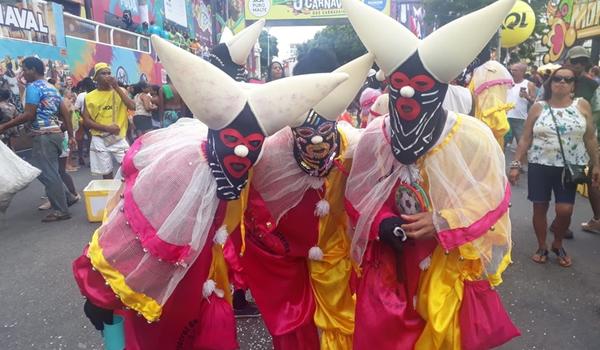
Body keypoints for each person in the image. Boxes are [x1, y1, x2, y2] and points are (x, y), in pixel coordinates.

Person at [72, 32, 347, 350]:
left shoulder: (264, 150)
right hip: (165, 293)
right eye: (235, 142)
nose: (243, 153)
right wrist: (100, 293)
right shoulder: (185, 161)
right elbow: (130, 229)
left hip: (207, 280)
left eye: (252, 145)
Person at [342, 0, 519, 348]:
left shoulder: (472, 137)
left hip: (445, 260)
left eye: (420, 85)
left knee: (439, 331)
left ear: (440, 89)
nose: (408, 94)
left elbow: (490, 196)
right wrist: (381, 222)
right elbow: (359, 193)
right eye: (400, 84)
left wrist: (442, 220)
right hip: (391, 259)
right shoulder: (377, 134)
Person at [229, 53, 372, 350]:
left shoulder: (354, 144)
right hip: (280, 249)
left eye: (323, 131)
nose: (316, 142)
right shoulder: (270, 150)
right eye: (306, 133)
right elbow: (245, 202)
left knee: (342, 317)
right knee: (292, 321)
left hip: (334, 249)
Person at [509, 67, 600, 267]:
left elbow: (590, 137)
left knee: (565, 209)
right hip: (540, 164)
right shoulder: (538, 107)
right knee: (539, 206)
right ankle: (542, 246)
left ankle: (557, 244)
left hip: (570, 168)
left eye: (567, 80)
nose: (562, 82)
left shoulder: (581, 105)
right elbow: (525, 138)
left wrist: (597, 165)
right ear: (550, 83)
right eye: (557, 78)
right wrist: (515, 164)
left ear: (573, 85)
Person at [0, 57, 77, 222]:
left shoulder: (33, 87)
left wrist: (4, 126)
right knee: (49, 171)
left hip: (44, 136)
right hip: (56, 135)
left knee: (46, 173)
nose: (22, 73)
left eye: (24, 69)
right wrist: (70, 135)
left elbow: (29, 114)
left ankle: (61, 210)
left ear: (32, 70)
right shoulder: (52, 87)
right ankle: (67, 197)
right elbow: (65, 113)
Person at [562, 46, 600, 236]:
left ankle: (595, 219)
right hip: (560, 140)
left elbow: (596, 116)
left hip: (586, 140)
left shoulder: (593, 86)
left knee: (582, 179)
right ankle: (562, 222)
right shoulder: (561, 79)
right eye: (574, 61)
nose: (577, 65)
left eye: (581, 62)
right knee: (562, 181)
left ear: (586, 63)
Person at [81, 62, 135, 179]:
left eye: (109, 73)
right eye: (103, 73)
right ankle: (110, 195)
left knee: (129, 166)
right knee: (106, 172)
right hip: (99, 138)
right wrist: (106, 128)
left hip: (118, 137)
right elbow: (86, 120)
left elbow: (132, 107)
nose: (107, 76)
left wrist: (116, 88)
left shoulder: (121, 91)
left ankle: (126, 193)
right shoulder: (89, 97)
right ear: (96, 78)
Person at [506, 63, 537, 147]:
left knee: (522, 144)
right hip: (505, 117)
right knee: (502, 144)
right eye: (512, 70)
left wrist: (527, 97)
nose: (512, 72)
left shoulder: (529, 84)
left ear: (522, 72)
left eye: (515, 70)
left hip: (520, 119)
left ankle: (519, 160)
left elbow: (535, 102)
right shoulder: (507, 83)